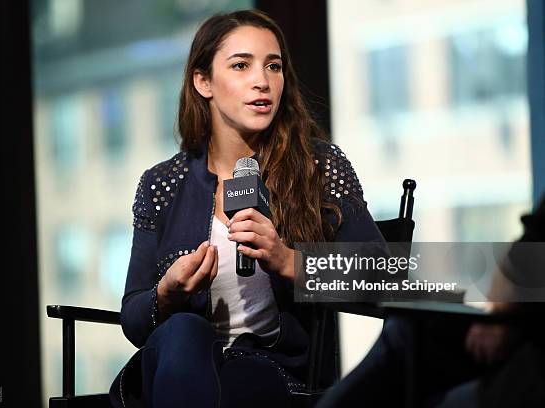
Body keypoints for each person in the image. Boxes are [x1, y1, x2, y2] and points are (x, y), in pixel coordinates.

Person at [108, 9, 385, 408]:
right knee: (185, 330)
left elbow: (382, 273)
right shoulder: (162, 184)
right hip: (178, 364)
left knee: (236, 379)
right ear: (203, 82)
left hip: (274, 374)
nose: (262, 81)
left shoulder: (318, 167)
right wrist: (165, 295)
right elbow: (134, 319)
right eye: (241, 65)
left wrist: (289, 261)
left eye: (274, 67)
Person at [317, 196, 545, 408]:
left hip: (526, 359)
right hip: (518, 335)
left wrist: (501, 318)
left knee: (406, 335)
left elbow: (523, 258)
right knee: (409, 328)